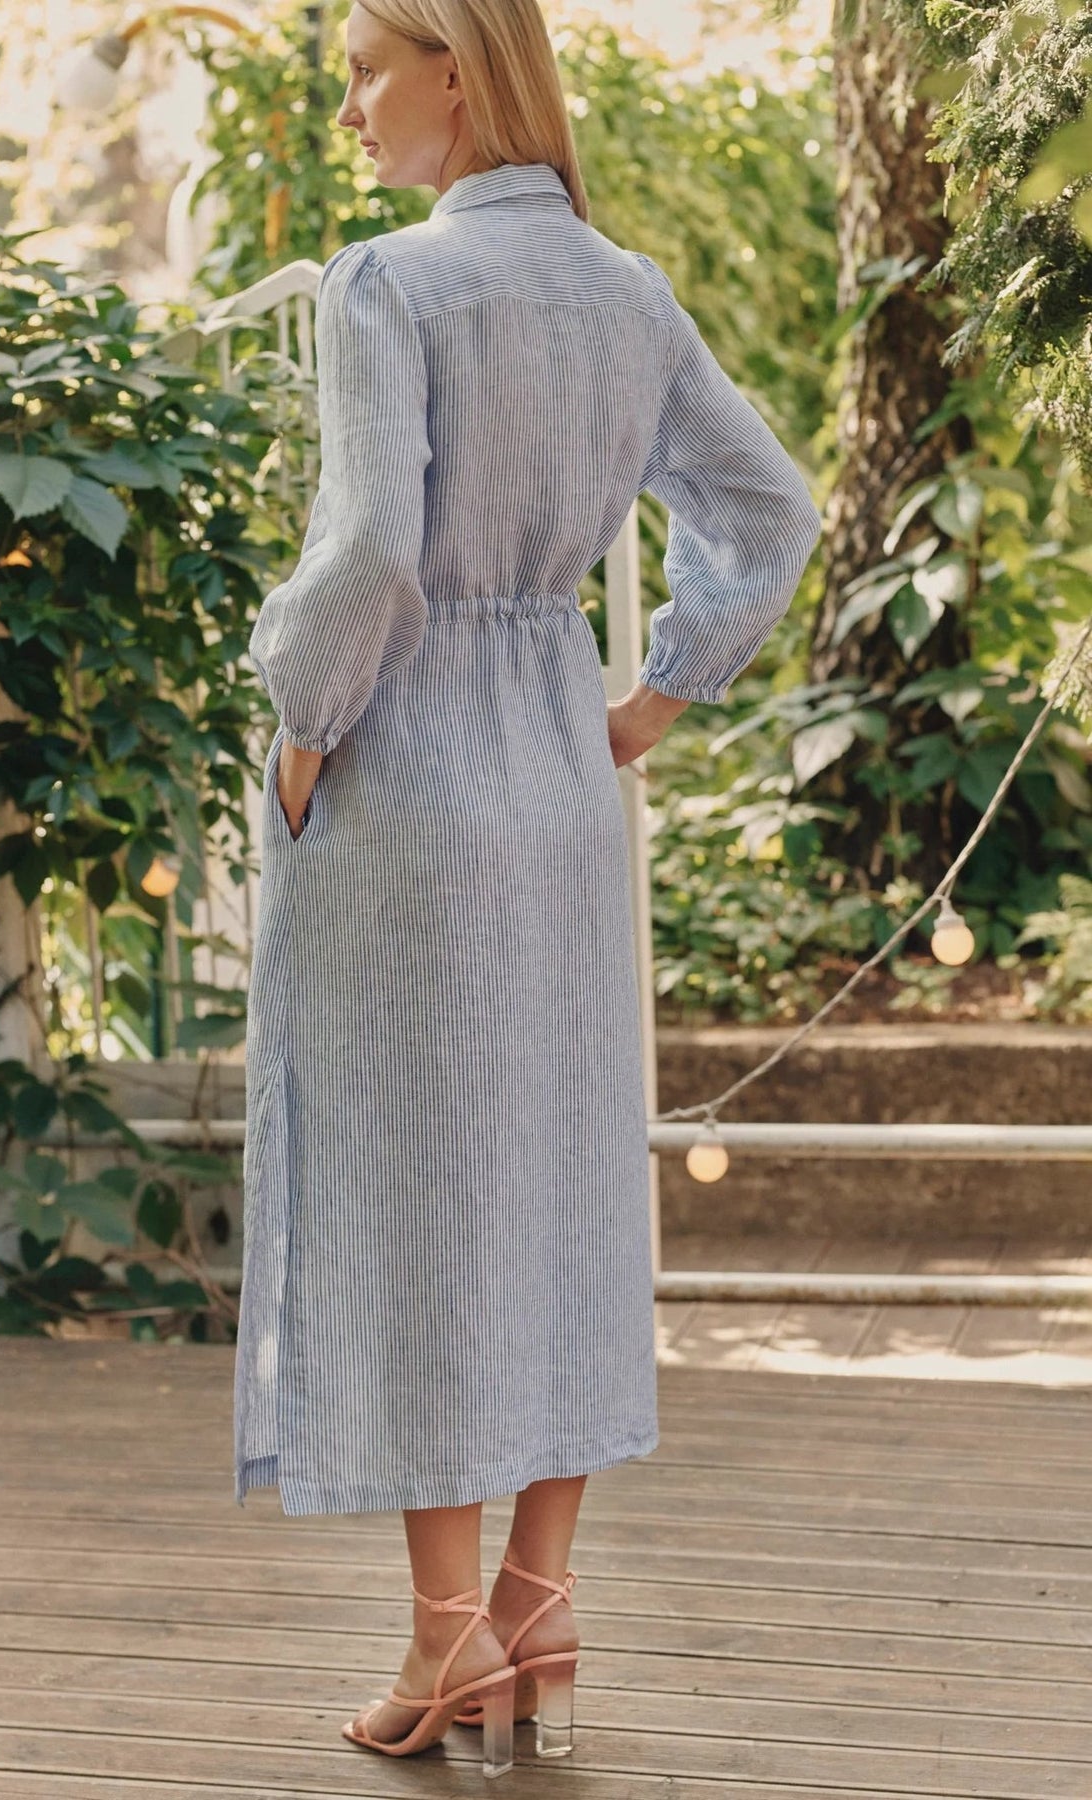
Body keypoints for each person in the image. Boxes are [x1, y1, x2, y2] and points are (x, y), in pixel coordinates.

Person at [232, 0, 822, 1774]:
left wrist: (303, 727)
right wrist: (649, 701)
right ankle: (540, 1604)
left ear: (461, 76)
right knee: (556, 1187)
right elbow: (768, 510)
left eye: (362, 71)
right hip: (562, 789)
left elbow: (366, 557)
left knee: (422, 1200)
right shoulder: (627, 295)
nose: (345, 110)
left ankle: (440, 1649)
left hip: (412, 785)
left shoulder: (390, 287)